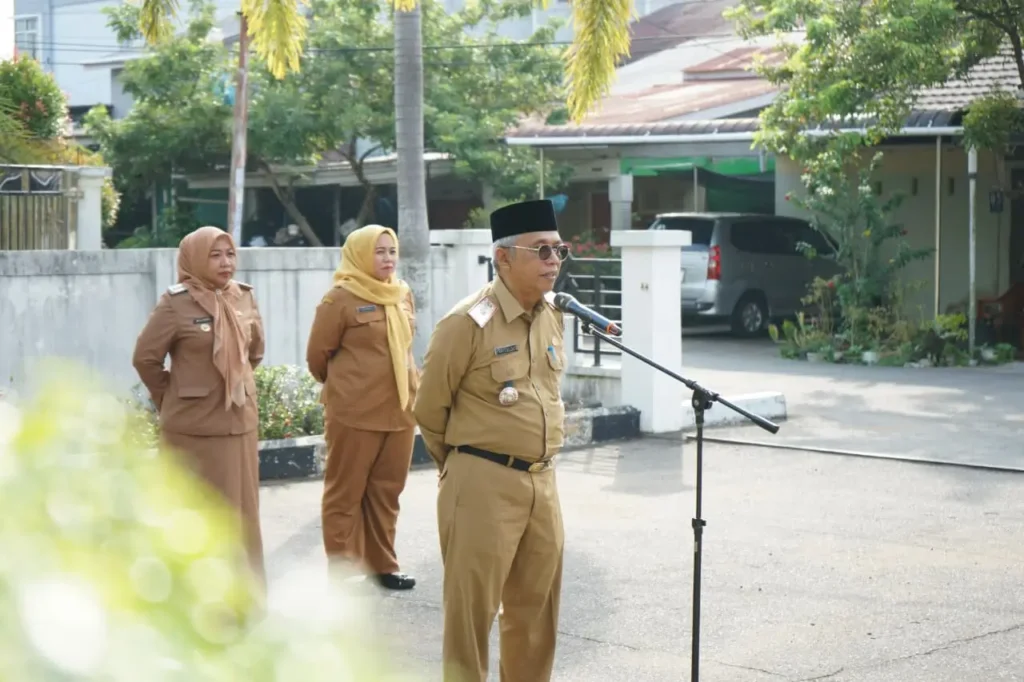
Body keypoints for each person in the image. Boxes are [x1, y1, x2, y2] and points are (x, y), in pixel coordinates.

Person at [413, 199, 571, 682]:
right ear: (503, 257)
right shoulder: (467, 323)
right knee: (471, 618)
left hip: (542, 482)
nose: (553, 261)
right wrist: (465, 466)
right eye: (540, 250)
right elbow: (429, 409)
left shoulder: (550, 315)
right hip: (482, 482)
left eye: (559, 250)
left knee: (536, 616)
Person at [132, 226, 267, 584]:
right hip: (193, 430)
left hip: (239, 424)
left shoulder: (244, 297)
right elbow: (146, 359)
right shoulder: (176, 303)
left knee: (242, 514)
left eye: (230, 254)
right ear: (194, 258)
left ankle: (243, 601)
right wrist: (174, 399)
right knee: (197, 515)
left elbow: (254, 353)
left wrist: (234, 386)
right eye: (215, 255)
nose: (226, 263)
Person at [306, 224, 418, 591]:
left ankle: (383, 565)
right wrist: (349, 386)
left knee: (387, 491)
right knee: (346, 491)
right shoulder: (339, 299)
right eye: (379, 251)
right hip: (354, 413)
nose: (387, 258)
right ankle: (341, 569)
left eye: (391, 250)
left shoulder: (401, 294)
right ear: (359, 254)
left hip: (400, 411)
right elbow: (317, 356)